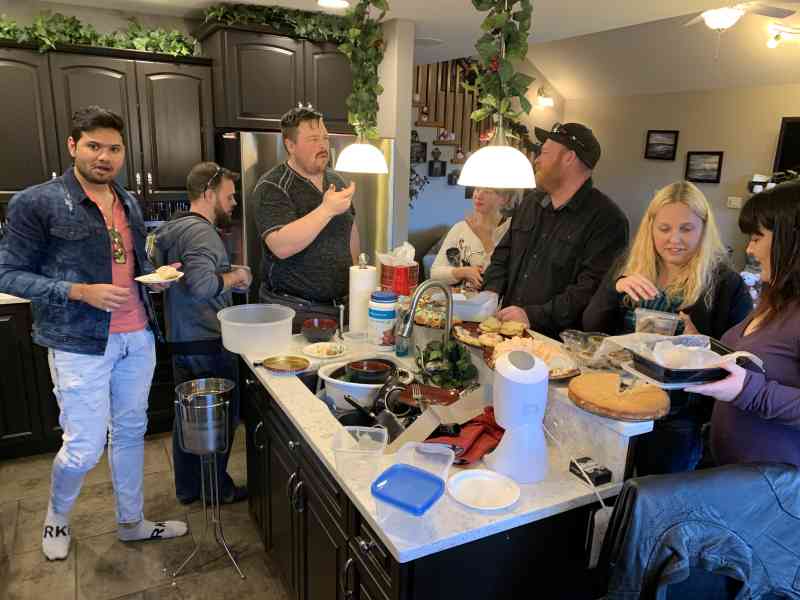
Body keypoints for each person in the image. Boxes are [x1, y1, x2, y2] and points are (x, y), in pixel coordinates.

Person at [0, 106, 187, 561]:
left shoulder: (127, 201)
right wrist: (78, 291)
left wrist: (154, 278)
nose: (104, 156)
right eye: (94, 146)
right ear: (73, 147)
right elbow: (7, 274)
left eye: (114, 148)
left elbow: (130, 264)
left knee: (130, 431)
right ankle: (57, 516)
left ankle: (131, 522)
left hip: (137, 336)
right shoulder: (37, 201)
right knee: (83, 447)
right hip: (78, 343)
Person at [583, 181, 752, 475]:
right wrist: (616, 287)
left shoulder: (726, 284)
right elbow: (591, 325)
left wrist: (699, 344)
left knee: (655, 495)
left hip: (679, 418)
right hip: (620, 398)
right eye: (664, 229)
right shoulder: (631, 265)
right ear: (650, 228)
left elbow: (739, 361)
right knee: (606, 486)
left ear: (703, 228)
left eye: (686, 229)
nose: (674, 239)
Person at [153, 162, 251, 505]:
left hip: (182, 338)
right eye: (229, 195)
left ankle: (189, 488)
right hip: (207, 339)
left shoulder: (173, 229)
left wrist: (228, 272)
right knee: (218, 422)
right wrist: (237, 278)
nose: (234, 202)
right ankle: (216, 489)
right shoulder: (202, 232)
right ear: (209, 194)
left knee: (188, 420)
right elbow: (202, 285)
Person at [686, 181, 800, 467]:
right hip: (728, 468)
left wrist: (750, 391)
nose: (749, 249)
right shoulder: (777, 299)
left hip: (769, 494)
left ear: (791, 240)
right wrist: (696, 342)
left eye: (757, 237)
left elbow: (748, 385)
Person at [482, 122, 629, 337]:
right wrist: (491, 291)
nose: (537, 160)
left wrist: (532, 315)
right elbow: (503, 253)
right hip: (509, 332)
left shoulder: (608, 220)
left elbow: (589, 290)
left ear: (568, 157)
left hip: (557, 345)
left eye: (544, 153)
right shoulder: (531, 202)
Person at [253, 106, 357, 330]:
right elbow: (280, 245)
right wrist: (326, 209)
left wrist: (358, 282)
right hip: (293, 311)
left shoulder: (336, 180)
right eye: (312, 139)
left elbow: (350, 232)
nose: (322, 146)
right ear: (290, 145)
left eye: (325, 138)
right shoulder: (272, 186)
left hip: (341, 309)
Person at [430, 187, 515, 287]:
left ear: (504, 199)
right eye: (477, 190)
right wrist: (462, 272)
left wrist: (485, 239)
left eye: (487, 191)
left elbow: (506, 276)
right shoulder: (460, 227)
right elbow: (435, 273)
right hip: (460, 300)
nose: (478, 196)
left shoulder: (511, 230)